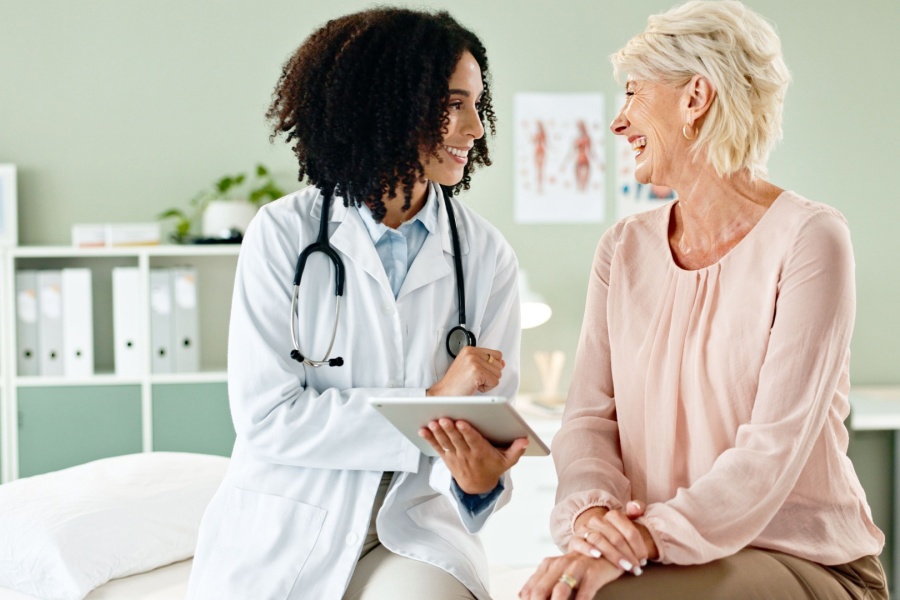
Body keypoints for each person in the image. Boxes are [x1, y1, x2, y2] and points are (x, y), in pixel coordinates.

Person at [520, 2, 887, 599]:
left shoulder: (810, 238)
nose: (619, 122)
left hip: (799, 557)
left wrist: (643, 539)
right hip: (663, 551)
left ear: (695, 99)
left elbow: (772, 449)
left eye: (634, 93)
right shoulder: (623, 248)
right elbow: (587, 421)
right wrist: (592, 522)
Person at [186, 8, 528, 600]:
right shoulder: (282, 234)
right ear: (386, 104)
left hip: (411, 527)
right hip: (288, 524)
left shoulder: (485, 256)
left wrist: (478, 484)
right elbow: (268, 418)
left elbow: (485, 429)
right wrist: (429, 405)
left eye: (478, 103)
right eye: (453, 104)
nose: (475, 127)